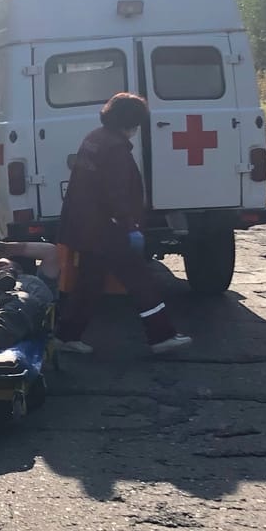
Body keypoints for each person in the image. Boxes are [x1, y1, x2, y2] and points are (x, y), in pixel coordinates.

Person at [54, 91, 190, 358]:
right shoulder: (115, 149)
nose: (137, 129)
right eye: (137, 123)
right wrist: (130, 226)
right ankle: (161, 336)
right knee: (139, 281)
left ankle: (66, 335)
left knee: (89, 283)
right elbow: (115, 193)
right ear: (129, 122)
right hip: (107, 229)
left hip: (85, 225)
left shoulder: (94, 138)